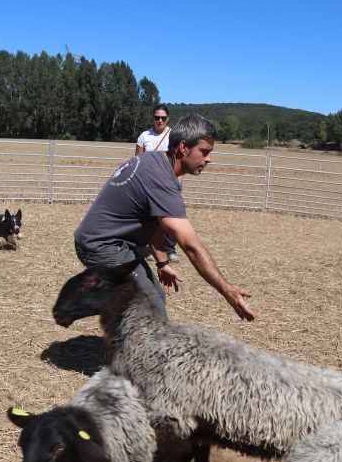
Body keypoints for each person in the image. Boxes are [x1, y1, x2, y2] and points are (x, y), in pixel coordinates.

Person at [74, 113, 255, 322]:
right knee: (152, 311)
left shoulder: (155, 161)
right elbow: (191, 246)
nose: (209, 159)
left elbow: (157, 222)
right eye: (204, 152)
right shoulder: (161, 179)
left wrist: (161, 262)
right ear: (184, 147)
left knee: (156, 297)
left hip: (108, 242)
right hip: (101, 246)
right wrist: (226, 289)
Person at [134, 104, 180, 261]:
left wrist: (178, 181)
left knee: (170, 217)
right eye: (157, 117)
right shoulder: (144, 136)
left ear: (168, 118)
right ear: (152, 118)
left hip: (168, 181)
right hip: (147, 182)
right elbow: (137, 161)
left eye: (163, 118)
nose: (160, 120)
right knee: (146, 216)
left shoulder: (174, 135)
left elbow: (177, 160)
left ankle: (170, 249)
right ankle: (144, 246)